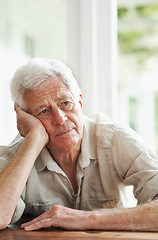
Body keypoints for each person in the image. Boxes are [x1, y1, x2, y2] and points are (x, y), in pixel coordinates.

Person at [0, 58, 158, 232]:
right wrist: (34, 139)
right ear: (26, 121)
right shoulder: (17, 154)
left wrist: (87, 219)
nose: (60, 119)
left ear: (80, 102)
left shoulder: (114, 139)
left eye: (65, 103)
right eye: (43, 111)